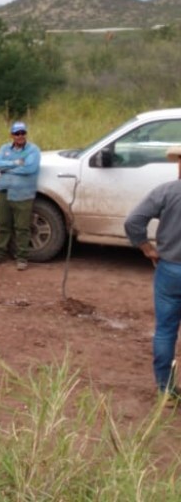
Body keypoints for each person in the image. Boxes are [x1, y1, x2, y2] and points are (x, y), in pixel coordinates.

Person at [124, 145, 181, 402]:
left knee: (166, 330)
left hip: (170, 268)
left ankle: (165, 391)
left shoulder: (167, 191)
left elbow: (133, 222)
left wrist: (148, 249)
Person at [0, 121, 41, 271]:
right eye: (17, 133)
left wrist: (8, 168)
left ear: (26, 134)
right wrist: (16, 162)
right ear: (12, 135)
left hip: (23, 194)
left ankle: (22, 257)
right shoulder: (4, 148)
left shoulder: (33, 150)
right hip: (4, 192)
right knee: (3, 225)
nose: (20, 136)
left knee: (22, 227)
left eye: (22, 133)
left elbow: (30, 168)